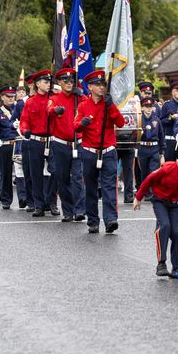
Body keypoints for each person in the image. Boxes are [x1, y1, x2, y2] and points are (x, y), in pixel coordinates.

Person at [75, 70, 126, 234]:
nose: (101, 87)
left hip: (108, 151)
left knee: (109, 186)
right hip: (89, 152)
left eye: (103, 84)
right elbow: (75, 126)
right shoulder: (83, 105)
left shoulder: (109, 103)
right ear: (89, 87)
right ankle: (93, 221)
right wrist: (82, 123)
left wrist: (111, 106)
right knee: (90, 187)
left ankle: (111, 219)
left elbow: (121, 123)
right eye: (97, 85)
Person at [134, 147, 178, 277]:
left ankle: (177, 268)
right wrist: (138, 197)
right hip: (160, 201)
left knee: (177, 233)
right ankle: (161, 263)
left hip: (176, 205)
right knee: (165, 226)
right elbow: (149, 179)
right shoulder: (167, 169)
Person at [21, 70, 58, 216]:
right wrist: (25, 131)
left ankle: (52, 202)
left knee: (55, 172)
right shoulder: (30, 102)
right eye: (45, 82)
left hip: (53, 140)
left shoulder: (54, 99)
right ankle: (39, 204)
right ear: (37, 84)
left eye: (49, 82)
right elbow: (24, 121)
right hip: (36, 140)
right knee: (35, 174)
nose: (48, 84)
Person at [48, 68, 83, 221]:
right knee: (63, 179)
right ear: (59, 82)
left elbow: (91, 107)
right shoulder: (55, 98)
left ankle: (80, 210)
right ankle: (68, 211)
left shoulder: (79, 97)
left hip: (78, 143)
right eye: (66, 81)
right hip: (61, 144)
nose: (69, 83)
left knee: (78, 177)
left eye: (72, 81)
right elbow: (49, 110)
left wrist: (82, 95)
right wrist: (56, 110)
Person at [0, 85, 21, 209]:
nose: (11, 98)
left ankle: (24, 199)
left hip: (19, 143)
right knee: (6, 174)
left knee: (21, 174)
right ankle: (6, 199)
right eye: (8, 96)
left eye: (13, 96)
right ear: (2, 97)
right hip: (6, 145)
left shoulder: (19, 109)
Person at [135, 96, 164, 192]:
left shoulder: (157, 120)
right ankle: (145, 191)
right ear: (142, 108)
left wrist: (162, 152)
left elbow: (161, 136)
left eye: (150, 107)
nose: (148, 109)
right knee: (144, 171)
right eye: (146, 107)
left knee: (153, 171)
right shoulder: (139, 120)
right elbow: (135, 135)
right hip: (143, 148)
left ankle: (152, 191)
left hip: (154, 148)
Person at [160, 81, 178, 162]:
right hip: (170, 141)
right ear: (173, 92)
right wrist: (170, 118)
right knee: (169, 165)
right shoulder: (167, 105)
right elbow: (161, 122)